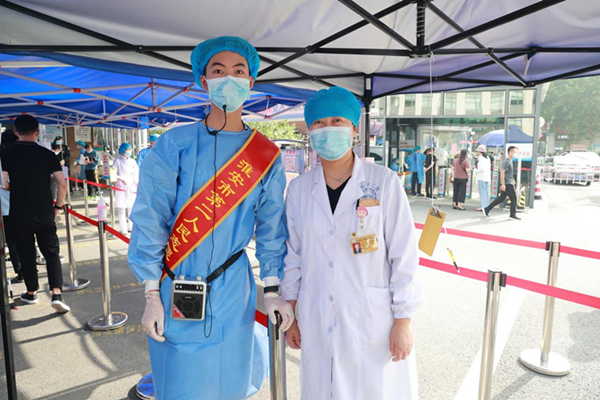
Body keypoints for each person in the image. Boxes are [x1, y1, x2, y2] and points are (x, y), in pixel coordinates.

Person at [127, 36, 293, 400]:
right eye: (219, 71)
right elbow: (150, 217)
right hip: (176, 281)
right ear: (204, 81)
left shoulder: (265, 155)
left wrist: (272, 291)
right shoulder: (175, 143)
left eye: (238, 71)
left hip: (234, 287)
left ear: (251, 82)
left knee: (229, 380)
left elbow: (272, 228)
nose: (229, 78)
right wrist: (151, 293)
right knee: (180, 382)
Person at [282, 87, 424, 400]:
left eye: (337, 120)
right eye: (319, 122)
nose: (327, 128)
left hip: (371, 320)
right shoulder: (299, 190)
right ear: (309, 132)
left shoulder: (384, 181)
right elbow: (293, 256)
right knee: (322, 389)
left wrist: (403, 320)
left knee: (373, 390)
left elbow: (403, 255)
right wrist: (290, 313)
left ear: (355, 129)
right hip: (316, 314)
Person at [0, 115, 70, 313]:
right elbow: (62, 184)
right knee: (51, 252)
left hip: (19, 211)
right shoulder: (47, 154)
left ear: (16, 132)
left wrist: (15, 187)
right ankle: (56, 293)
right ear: (37, 132)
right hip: (45, 210)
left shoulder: (6, 153)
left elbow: (4, 183)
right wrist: (58, 207)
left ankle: (31, 292)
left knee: (26, 252)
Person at [0, 129, 22, 282]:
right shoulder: (16, 156)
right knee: (24, 239)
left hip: (5, 208)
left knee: (12, 241)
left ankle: (20, 271)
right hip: (21, 205)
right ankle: (27, 271)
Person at [483, 146, 520, 220]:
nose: (515, 154)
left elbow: (508, 173)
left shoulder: (510, 161)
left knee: (501, 198)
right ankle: (512, 215)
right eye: (514, 152)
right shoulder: (506, 161)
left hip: (509, 182)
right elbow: (502, 172)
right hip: (507, 184)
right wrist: (503, 184)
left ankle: (487, 209)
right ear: (510, 152)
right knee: (514, 199)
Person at [113, 143, 139, 235]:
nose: (130, 151)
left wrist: (136, 182)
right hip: (121, 187)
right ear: (123, 150)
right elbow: (113, 173)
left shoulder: (133, 161)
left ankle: (131, 227)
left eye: (130, 149)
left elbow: (136, 173)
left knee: (131, 208)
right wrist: (121, 179)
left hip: (131, 187)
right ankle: (123, 229)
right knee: (121, 209)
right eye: (128, 149)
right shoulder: (117, 161)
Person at [474, 145, 491, 212]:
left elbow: (481, 169)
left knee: (482, 193)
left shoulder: (481, 159)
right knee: (486, 192)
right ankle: (486, 206)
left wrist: (475, 170)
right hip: (487, 177)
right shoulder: (487, 158)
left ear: (480, 152)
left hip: (481, 177)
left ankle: (483, 206)